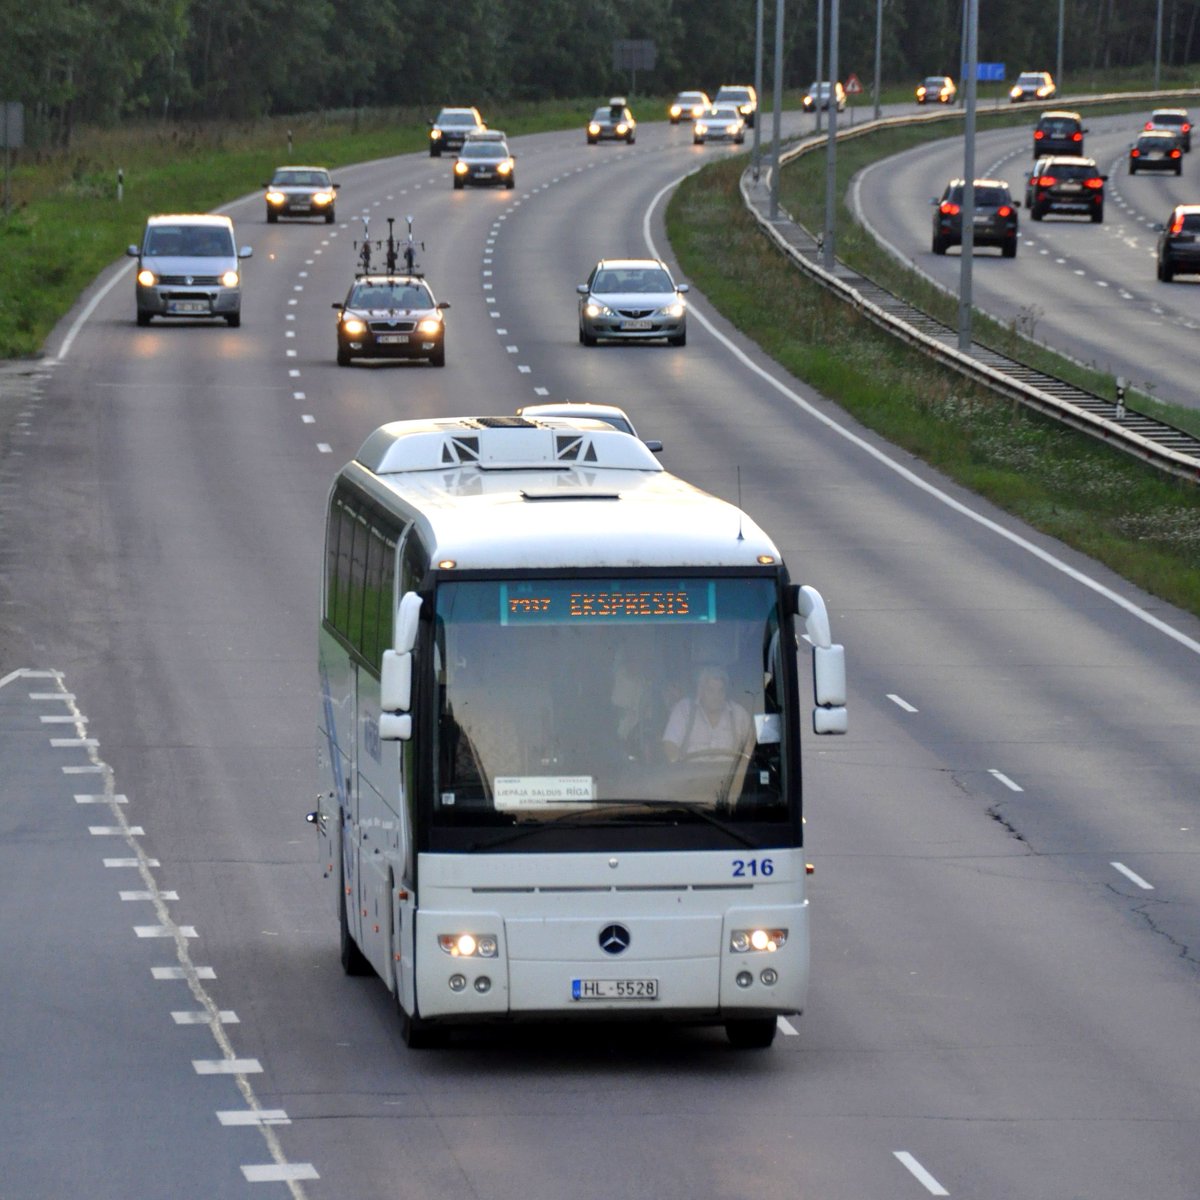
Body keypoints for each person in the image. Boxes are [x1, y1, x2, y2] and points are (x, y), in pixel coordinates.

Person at [661, 665, 753, 764]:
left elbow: (750, 748)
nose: (716, 697)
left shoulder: (739, 713)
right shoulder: (684, 709)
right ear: (700, 690)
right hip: (691, 775)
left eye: (720, 691)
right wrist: (677, 767)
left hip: (731, 777)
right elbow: (670, 744)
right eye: (710, 690)